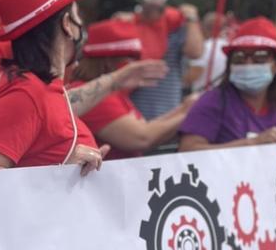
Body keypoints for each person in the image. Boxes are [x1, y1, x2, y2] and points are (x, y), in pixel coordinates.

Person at [0, 0, 166, 174]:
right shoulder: (26, 94)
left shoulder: (40, 88)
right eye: (78, 17)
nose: (82, 27)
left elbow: (54, 115)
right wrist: (59, 171)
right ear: (67, 25)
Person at [178, 18, 276, 152]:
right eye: (239, 57)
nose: (248, 64)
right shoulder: (213, 102)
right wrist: (252, 144)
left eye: (260, 56)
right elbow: (188, 151)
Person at [73, 19, 196, 159]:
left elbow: (147, 127)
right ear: (108, 61)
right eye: (130, 59)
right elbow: (142, 137)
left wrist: (184, 108)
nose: (137, 65)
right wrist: (191, 111)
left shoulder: (112, 92)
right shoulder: (94, 96)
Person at [129, 0, 205, 120]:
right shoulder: (132, 26)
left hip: (166, 110)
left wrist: (191, 18)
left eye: (157, 8)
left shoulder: (176, 29)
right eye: (148, 7)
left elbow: (195, 52)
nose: (152, 13)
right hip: (131, 111)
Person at [185, 12, 234, 93]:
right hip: (224, 96)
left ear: (203, 27)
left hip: (202, 98)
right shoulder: (229, 47)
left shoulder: (203, 48)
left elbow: (193, 75)